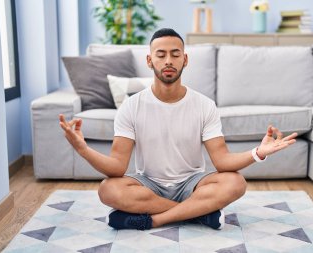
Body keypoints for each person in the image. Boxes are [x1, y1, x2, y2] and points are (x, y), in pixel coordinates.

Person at [59, 28, 297, 231]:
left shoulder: (205, 105)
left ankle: (154, 220)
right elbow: (117, 167)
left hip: (192, 183)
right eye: (161, 55)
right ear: (150, 61)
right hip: (148, 182)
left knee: (236, 183)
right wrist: (82, 149)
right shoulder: (131, 107)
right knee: (108, 190)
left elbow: (222, 162)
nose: (168, 61)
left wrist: (259, 152)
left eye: (175, 54)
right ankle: (201, 214)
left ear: (185, 59)